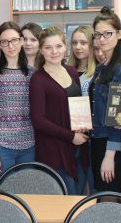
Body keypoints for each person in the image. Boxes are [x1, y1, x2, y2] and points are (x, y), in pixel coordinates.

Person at [30, 26, 87, 195]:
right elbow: (38, 120)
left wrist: (82, 126)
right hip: (53, 152)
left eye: (58, 46)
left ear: (65, 47)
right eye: (48, 47)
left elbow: (78, 104)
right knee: (64, 200)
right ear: (41, 50)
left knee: (79, 198)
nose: (54, 52)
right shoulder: (38, 79)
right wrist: (71, 137)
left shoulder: (71, 71)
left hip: (78, 147)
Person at [0, 21, 34, 184]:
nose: (10, 46)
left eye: (14, 40)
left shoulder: (32, 73)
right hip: (1, 146)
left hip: (29, 145)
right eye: (5, 42)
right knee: (4, 193)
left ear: (21, 41)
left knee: (28, 192)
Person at [88, 7, 121, 192]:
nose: (102, 39)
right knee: (102, 195)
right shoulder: (101, 67)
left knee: (111, 197)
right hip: (97, 139)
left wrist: (109, 155)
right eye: (98, 35)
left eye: (108, 33)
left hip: (112, 145)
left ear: (119, 34)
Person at [68, 25, 96, 195]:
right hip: (72, 137)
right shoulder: (66, 71)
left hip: (93, 137)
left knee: (95, 187)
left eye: (83, 43)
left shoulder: (98, 72)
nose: (78, 47)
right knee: (75, 189)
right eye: (74, 43)